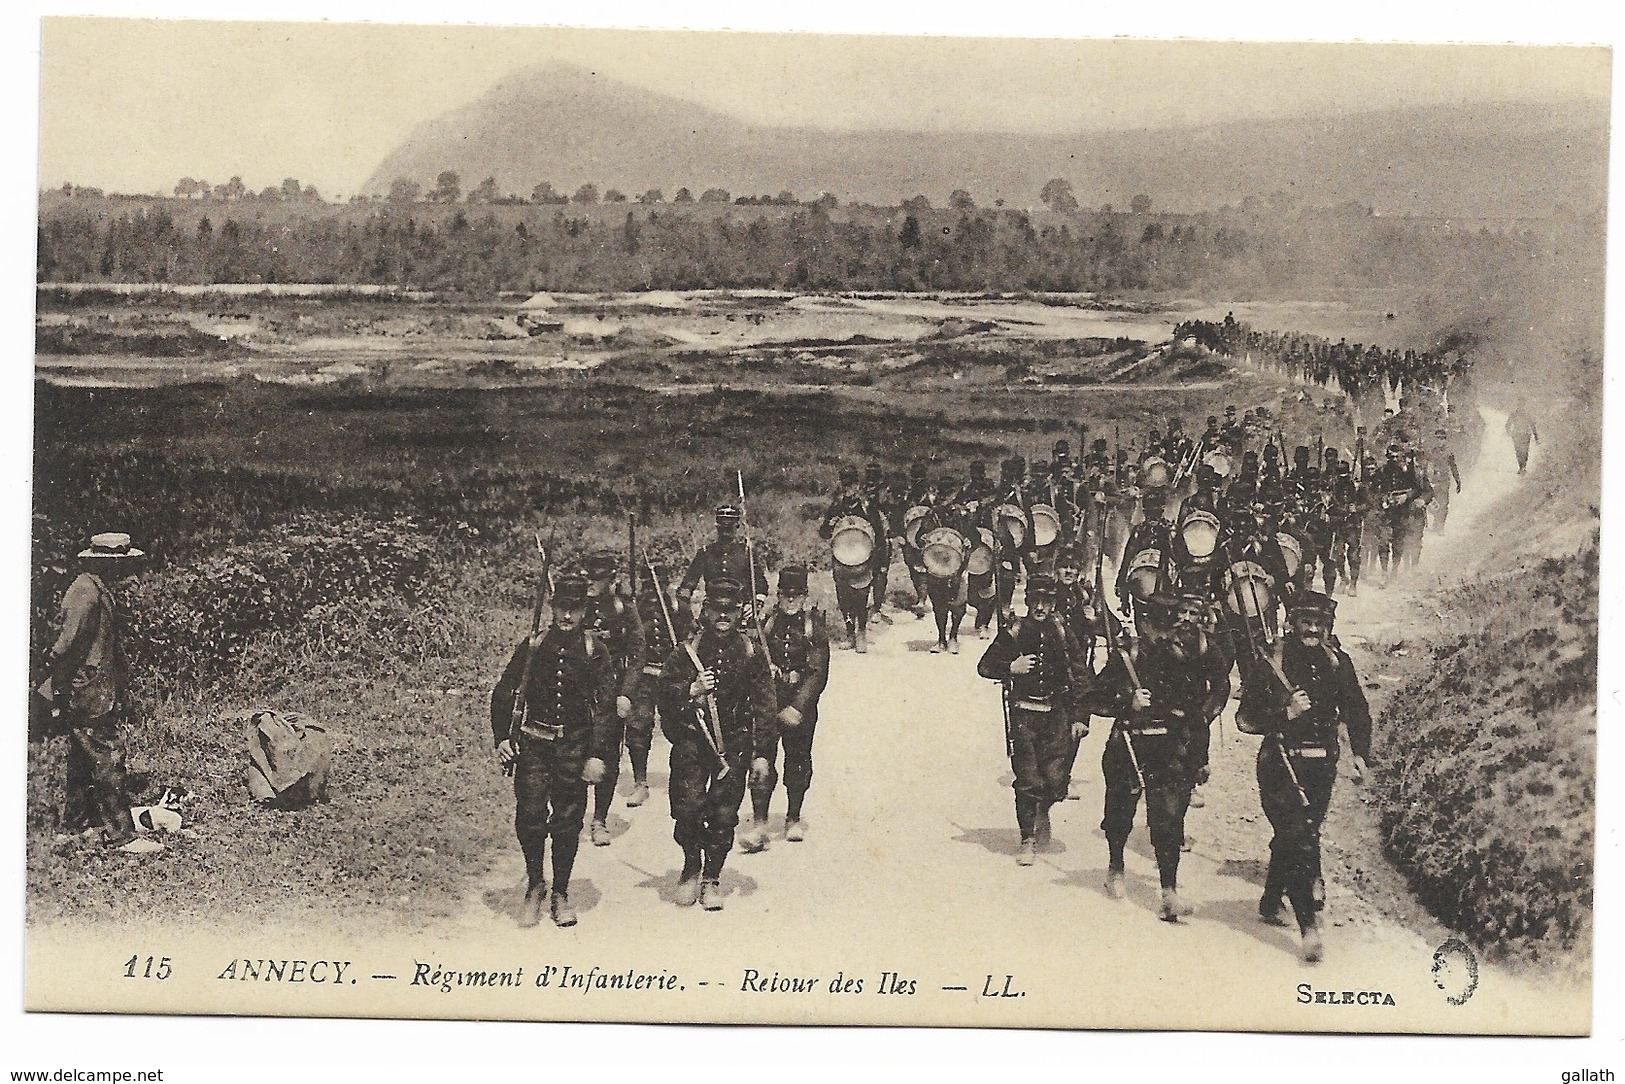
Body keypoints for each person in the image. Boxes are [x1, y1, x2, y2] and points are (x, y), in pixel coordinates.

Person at [1239, 592, 1371, 963]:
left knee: (1301, 833)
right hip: (1280, 762)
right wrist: (1285, 712)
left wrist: (1361, 752)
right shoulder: (1270, 663)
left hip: (1322, 763)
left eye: (1319, 625)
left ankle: (1269, 900)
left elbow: (1357, 708)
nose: (1312, 630)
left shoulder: (1338, 663)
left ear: (1328, 628)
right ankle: (1308, 928)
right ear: (1292, 624)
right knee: (1297, 837)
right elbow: (1246, 717)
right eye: (1305, 623)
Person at [1085, 590, 1229, 921]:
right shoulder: (1128, 655)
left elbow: (1212, 693)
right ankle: (1116, 866)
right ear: (1145, 623)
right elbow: (1092, 698)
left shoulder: (1195, 652)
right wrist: (1126, 700)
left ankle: (1168, 890)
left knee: (1168, 817)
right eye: (1158, 624)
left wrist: (1199, 729)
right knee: (1120, 812)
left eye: (1172, 624)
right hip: (1130, 744)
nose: (1166, 634)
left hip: (1172, 745)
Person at [492, 574, 617, 928]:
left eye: (575, 609)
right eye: (562, 607)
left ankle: (561, 892)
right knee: (530, 816)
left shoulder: (595, 650)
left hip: (574, 748)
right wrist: (502, 737)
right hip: (534, 745)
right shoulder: (534, 646)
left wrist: (597, 755)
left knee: (566, 822)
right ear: (552, 607)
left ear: (584, 611)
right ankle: (535, 885)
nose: (567, 615)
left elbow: (606, 706)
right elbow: (504, 691)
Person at [657, 578, 777, 910]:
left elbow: (766, 705)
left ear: (740, 614)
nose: (723, 617)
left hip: (734, 744)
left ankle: (712, 876)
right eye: (716, 610)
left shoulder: (752, 652)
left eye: (730, 610)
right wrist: (690, 690)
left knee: (724, 813)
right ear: (705, 611)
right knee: (688, 807)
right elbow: (663, 694)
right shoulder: (687, 651)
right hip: (692, 741)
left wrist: (763, 754)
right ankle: (691, 866)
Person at [39, 533, 160, 855]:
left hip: (93, 687)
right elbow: (65, 647)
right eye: (120, 563)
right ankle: (122, 836)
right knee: (109, 758)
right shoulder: (85, 593)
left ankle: (74, 826)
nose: (125, 570)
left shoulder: (96, 588)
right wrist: (56, 689)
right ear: (102, 562)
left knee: (81, 759)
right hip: (87, 690)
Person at [976, 574, 1094, 866]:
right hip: (1024, 715)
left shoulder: (1063, 632)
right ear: (1028, 601)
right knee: (1028, 778)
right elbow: (985, 667)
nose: (1041, 607)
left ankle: (1044, 810)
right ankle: (1027, 838)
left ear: (1054, 603)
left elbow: (1081, 676)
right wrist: (1010, 667)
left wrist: (1080, 716)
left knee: (1056, 779)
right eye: (1036, 601)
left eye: (1047, 602)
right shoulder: (1014, 630)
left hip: (1057, 715)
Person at [742, 566, 831, 850]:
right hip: (767, 705)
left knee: (798, 761)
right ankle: (759, 825)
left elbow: (817, 672)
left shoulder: (813, 627)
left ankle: (793, 818)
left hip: (799, 709)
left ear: (805, 596)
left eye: (796, 596)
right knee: (761, 760)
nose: (790, 601)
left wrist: (798, 706)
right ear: (777, 596)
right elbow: (749, 658)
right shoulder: (765, 623)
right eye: (785, 595)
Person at [582, 551, 645, 847]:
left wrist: (627, 693)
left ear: (612, 580)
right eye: (589, 577)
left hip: (612, 693)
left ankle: (599, 819)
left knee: (606, 755)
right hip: (580, 693)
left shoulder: (625, 609)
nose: (591, 583)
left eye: (598, 578)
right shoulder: (576, 606)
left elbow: (637, 654)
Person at [625, 561, 683, 809]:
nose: (654, 591)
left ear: (668, 584)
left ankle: (684, 780)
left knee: (680, 727)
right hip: (644, 676)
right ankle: (640, 783)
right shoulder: (633, 608)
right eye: (649, 585)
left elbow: (690, 637)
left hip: (671, 677)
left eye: (658, 584)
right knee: (638, 727)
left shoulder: (679, 606)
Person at [820, 465, 888, 652]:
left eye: (851, 484)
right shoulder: (836, 505)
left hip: (863, 561)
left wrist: (879, 563)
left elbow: (879, 537)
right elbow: (824, 533)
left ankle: (861, 634)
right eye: (845, 483)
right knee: (844, 600)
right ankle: (849, 634)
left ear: (858, 485)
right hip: (841, 561)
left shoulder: (867, 507)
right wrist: (829, 524)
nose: (848, 487)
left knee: (860, 598)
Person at [678, 504, 769, 620]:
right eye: (723, 527)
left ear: (737, 526)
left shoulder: (747, 553)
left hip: (740, 614)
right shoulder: (705, 553)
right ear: (717, 526)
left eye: (730, 527)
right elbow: (686, 585)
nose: (726, 532)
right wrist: (687, 616)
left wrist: (755, 604)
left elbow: (761, 584)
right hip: (711, 613)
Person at [1506, 406, 1539, 475]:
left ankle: (1522, 466)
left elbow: (1507, 424)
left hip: (1518, 434)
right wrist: (1536, 437)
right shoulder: (1527, 414)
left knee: (1519, 451)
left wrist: (1509, 432)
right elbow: (1533, 425)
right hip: (1525, 434)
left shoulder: (1515, 414)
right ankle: (1523, 466)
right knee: (1524, 450)